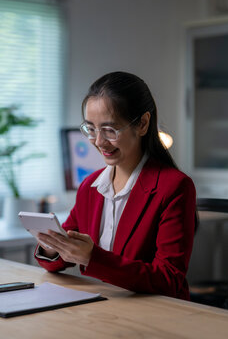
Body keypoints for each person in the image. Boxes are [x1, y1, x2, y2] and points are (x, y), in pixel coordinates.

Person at [35, 71, 196, 300]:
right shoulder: (90, 186)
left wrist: (92, 257)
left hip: (156, 316)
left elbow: (168, 280)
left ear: (142, 124)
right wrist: (53, 246)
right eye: (91, 129)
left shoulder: (175, 187)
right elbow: (60, 256)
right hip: (103, 308)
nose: (99, 142)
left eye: (110, 130)